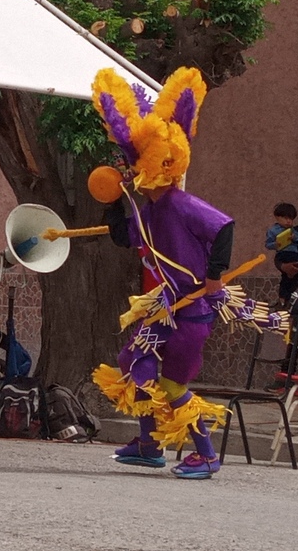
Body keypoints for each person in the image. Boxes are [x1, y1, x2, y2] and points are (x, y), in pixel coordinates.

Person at [89, 66, 239, 480]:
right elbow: (124, 236)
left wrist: (214, 276)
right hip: (168, 309)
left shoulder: (180, 203)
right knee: (132, 360)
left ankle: (206, 455)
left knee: (172, 385)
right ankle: (149, 445)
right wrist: (112, 198)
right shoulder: (152, 210)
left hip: (192, 312)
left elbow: (224, 227)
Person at [266, 202, 298, 300]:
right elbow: (268, 244)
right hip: (283, 254)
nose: (288, 221)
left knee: (292, 276)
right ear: (277, 217)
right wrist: (275, 244)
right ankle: (283, 296)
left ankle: (289, 296)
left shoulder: (292, 230)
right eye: (285, 218)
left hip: (294, 253)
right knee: (285, 276)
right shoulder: (273, 230)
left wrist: (294, 237)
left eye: (291, 219)